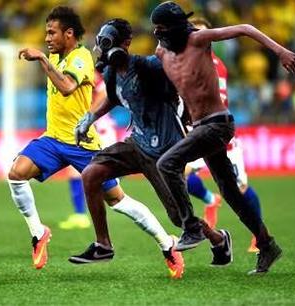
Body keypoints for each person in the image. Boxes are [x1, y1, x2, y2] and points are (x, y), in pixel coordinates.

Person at [9, 6, 183, 274]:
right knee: (16, 173)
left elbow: (67, 88)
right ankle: (38, 233)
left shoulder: (81, 58)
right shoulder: (56, 57)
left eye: (51, 33)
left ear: (69, 34)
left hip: (82, 145)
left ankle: (166, 244)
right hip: (53, 139)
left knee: (118, 201)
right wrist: (48, 60)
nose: (47, 38)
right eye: (46, 33)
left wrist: (42, 60)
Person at [70, 18, 233, 278]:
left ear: (125, 43)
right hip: (137, 142)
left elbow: (183, 78)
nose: (101, 46)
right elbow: (113, 98)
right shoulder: (111, 73)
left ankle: (218, 239)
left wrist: (192, 110)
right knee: (91, 174)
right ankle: (103, 245)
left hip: (166, 149)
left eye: (107, 40)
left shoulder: (150, 66)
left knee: (178, 218)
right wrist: (90, 117)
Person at [150, 1, 295, 274]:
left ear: (174, 27)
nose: (158, 33)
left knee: (166, 164)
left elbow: (244, 28)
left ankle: (192, 228)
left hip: (218, 124)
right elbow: (175, 89)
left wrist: (280, 51)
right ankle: (267, 245)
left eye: (162, 28)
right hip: (199, 127)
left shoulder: (199, 39)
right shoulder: (161, 53)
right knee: (230, 192)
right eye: (155, 29)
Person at [185, 17, 262, 253]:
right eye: (196, 33)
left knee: (239, 188)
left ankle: (259, 235)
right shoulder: (188, 61)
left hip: (219, 133)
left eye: (204, 34)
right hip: (196, 131)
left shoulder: (213, 64)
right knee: (181, 175)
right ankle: (209, 199)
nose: (200, 38)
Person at [59, 72, 118, 231]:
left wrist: (87, 116)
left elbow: (104, 93)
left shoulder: (87, 71)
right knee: (75, 171)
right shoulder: (66, 72)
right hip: (88, 129)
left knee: (106, 181)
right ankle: (80, 215)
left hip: (99, 129)